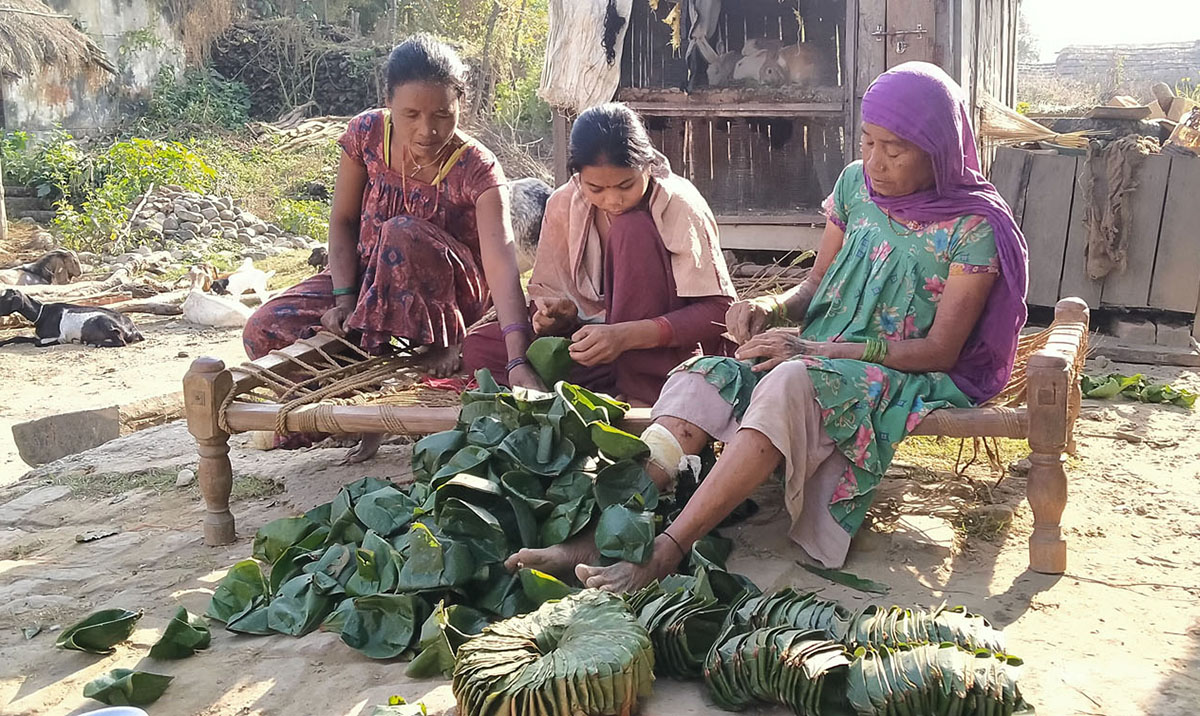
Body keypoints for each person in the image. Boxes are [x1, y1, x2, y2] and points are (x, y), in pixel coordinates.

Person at [505, 62, 1030, 592]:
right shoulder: (856, 186)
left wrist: (818, 348)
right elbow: (813, 290)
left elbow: (939, 351)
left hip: (899, 371)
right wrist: (769, 309)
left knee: (790, 379)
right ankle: (598, 535)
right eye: (868, 142)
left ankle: (666, 549)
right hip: (813, 352)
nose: (876, 162)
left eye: (895, 150)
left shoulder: (973, 227)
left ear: (938, 147)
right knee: (703, 376)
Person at [242, 35, 541, 461]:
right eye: (411, 114)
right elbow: (343, 222)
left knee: (400, 232)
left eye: (443, 114)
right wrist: (344, 298)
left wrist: (517, 361)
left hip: (451, 295)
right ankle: (356, 400)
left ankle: (440, 344)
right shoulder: (366, 134)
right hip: (367, 280)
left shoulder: (478, 168)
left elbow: (502, 265)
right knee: (264, 327)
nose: (428, 129)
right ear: (388, 102)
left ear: (461, 104)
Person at [462, 103, 736, 407]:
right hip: (598, 346)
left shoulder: (679, 203)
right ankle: (607, 384)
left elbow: (718, 311)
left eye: (625, 185)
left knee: (630, 229)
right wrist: (559, 318)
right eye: (596, 188)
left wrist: (624, 337)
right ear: (578, 177)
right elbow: (550, 295)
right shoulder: (563, 203)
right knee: (481, 348)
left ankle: (641, 391)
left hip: (662, 351)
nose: (613, 200)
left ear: (647, 166)